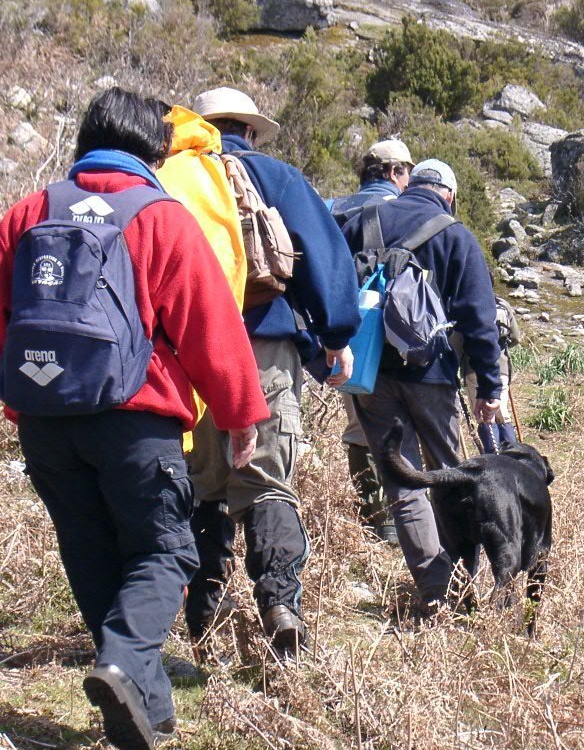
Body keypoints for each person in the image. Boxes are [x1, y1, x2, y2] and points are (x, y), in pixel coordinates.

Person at [0, 87, 268, 750]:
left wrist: (17, 402)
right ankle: (122, 665)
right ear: (155, 150)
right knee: (165, 551)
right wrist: (239, 415)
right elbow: (211, 327)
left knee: (91, 553)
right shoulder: (159, 214)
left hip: (45, 416)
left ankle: (146, 710)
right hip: (135, 416)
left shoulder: (27, 213)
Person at [184, 87, 361, 657]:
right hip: (263, 347)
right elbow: (326, 256)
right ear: (251, 130)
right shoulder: (275, 176)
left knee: (201, 488)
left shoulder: (172, 176)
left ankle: (201, 615)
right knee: (265, 483)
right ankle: (280, 605)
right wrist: (334, 337)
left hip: (187, 353)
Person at [338, 159, 502, 608]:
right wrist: (489, 386)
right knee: (451, 476)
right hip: (432, 375)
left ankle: (435, 591)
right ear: (448, 193)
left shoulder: (363, 221)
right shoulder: (455, 235)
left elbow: (333, 289)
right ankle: (463, 585)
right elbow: (479, 321)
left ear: (411, 184)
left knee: (402, 479)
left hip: (370, 373)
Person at [328, 139, 416, 545]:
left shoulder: (334, 208)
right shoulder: (407, 211)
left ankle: (375, 518)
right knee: (405, 425)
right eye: (407, 172)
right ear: (394, 172)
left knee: (357, 426)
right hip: (399, 335)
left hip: (348, 334)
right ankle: (405, 520)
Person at [457, 294, 521, 453]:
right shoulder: (503, 304)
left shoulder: (466, 305)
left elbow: (457, 342)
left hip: (473, 367)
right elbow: (515, 338)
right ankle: (513, 456)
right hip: (502, 366)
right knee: (503, 413)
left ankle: (493, 458)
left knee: (485, 417)